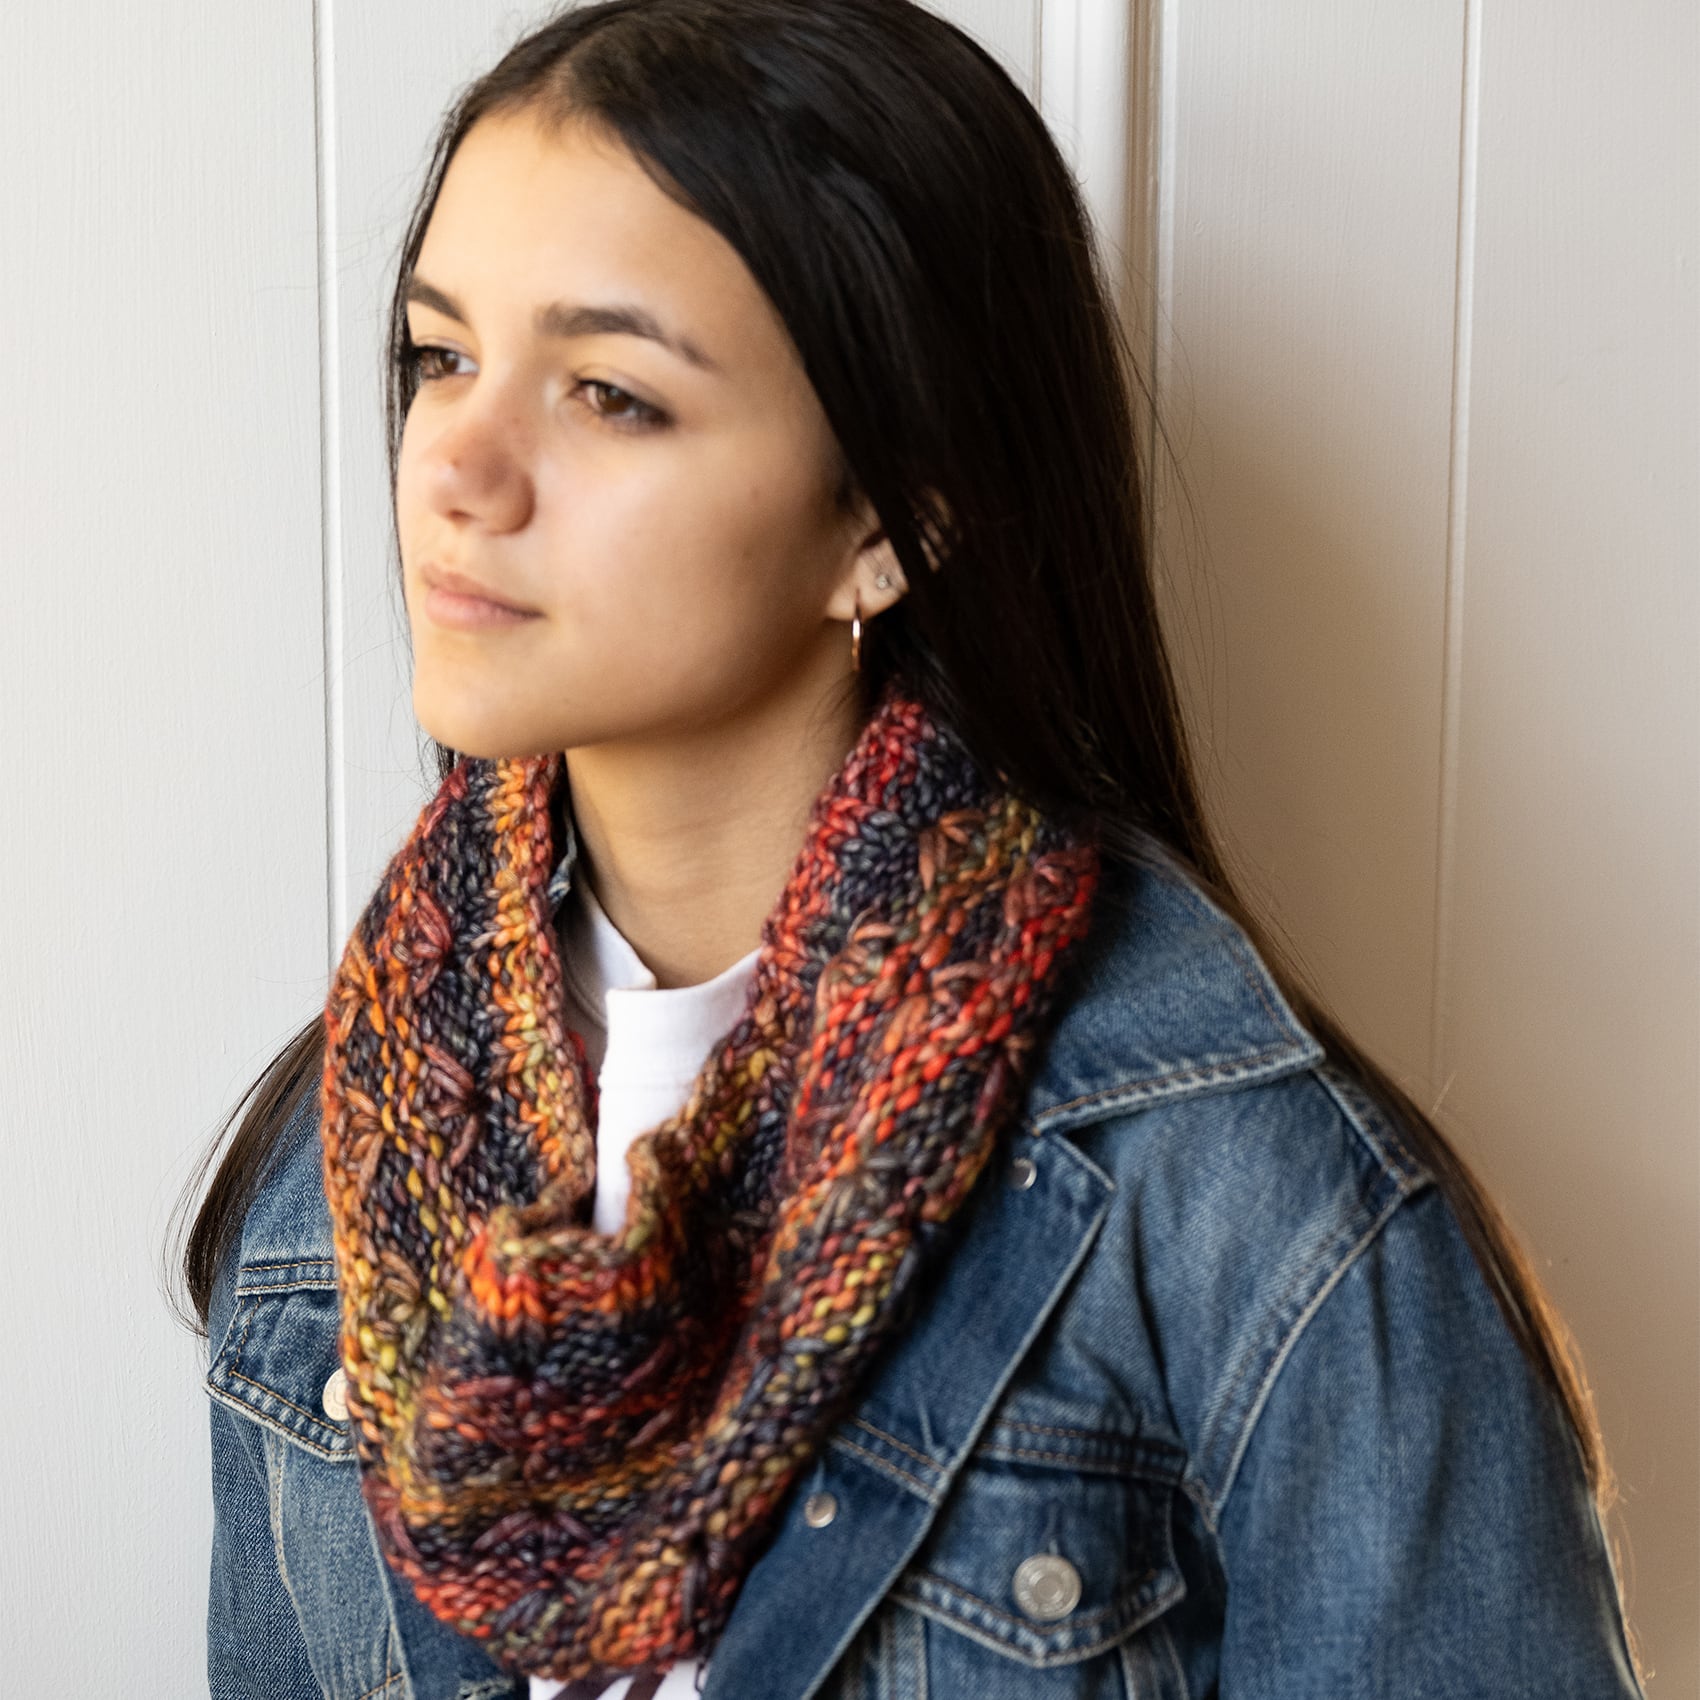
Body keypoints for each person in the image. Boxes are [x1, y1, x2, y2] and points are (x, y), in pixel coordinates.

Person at [175, 3, 1649, 1696]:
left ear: (889, 518)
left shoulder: (1246, 1203)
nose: (458, 467)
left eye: (611, 394)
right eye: (440, 358)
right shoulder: (345, 1162)